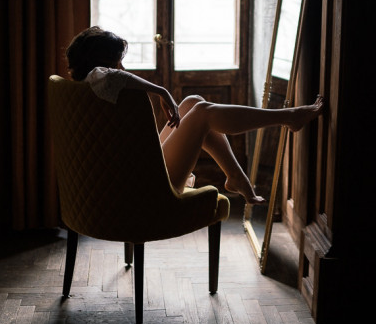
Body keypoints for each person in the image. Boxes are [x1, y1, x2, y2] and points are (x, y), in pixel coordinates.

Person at [65, 26, 324, 205]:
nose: (122, 67)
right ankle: (287, 117)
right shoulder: (96, 78)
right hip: (142, 187)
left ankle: (236, 177)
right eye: (117, 62)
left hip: (136, 172)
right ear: (102, 63)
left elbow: (113, 76)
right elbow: (110, 75)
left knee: (192, 103)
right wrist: (161, 90)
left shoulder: (84, 86)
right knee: (203, 112)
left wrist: (159, 92)